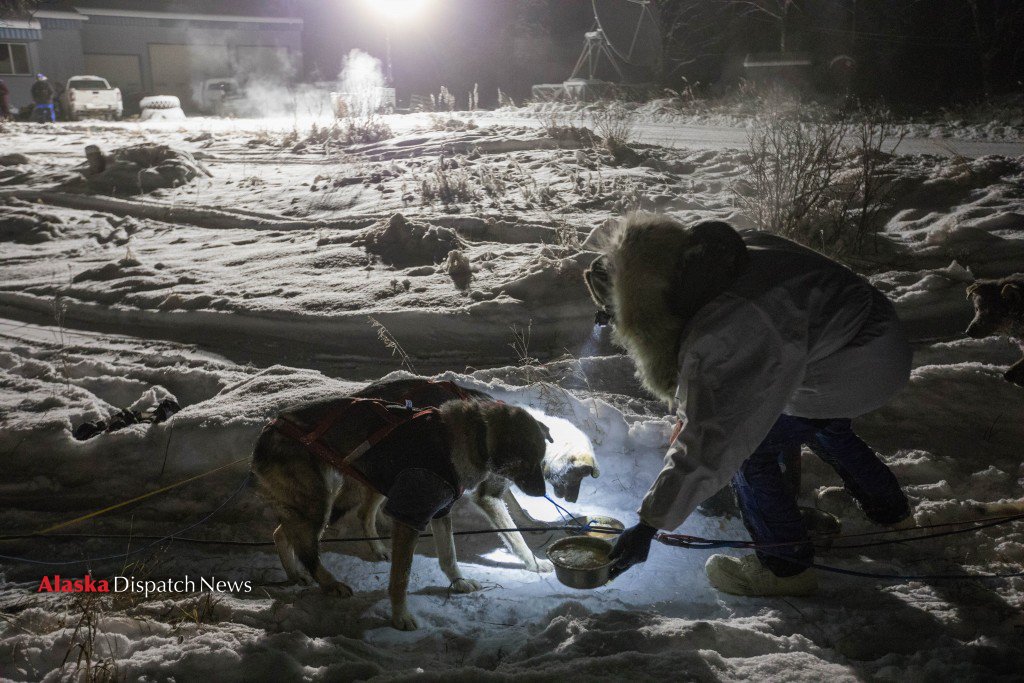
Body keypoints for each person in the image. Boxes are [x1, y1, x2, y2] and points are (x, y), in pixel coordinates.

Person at [583, 214, 913, 596]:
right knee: (822, 423)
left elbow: (713, 441)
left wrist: (647, 526)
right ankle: (890, 513)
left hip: (849, 366)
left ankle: (785, 568)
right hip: (869, 336)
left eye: (617, 315)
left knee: (750, 450)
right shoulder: (716, 257)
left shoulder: (728, 326)